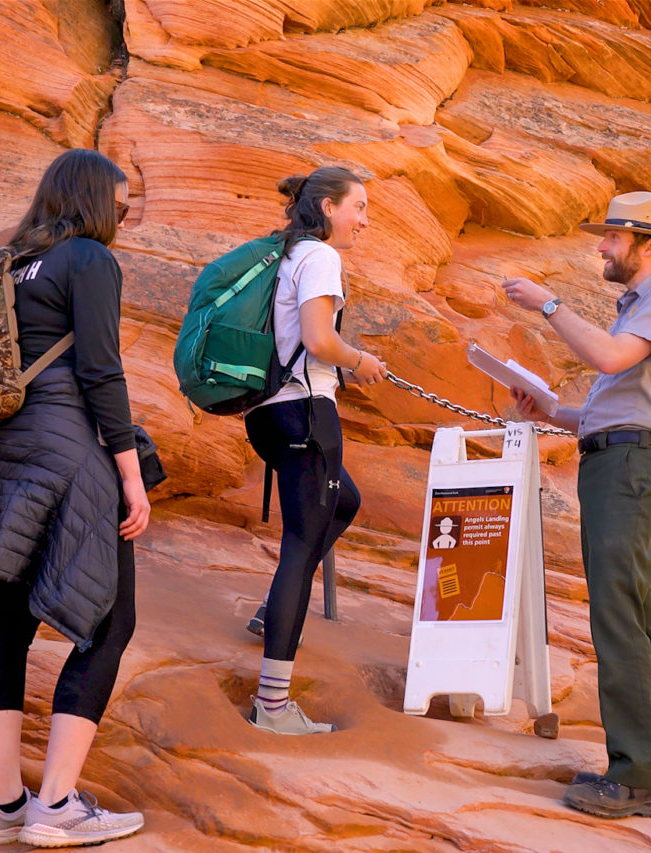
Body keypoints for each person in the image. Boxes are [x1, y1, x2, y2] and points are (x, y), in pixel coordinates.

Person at [0, 148, 151, 847]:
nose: (126, 213)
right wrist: (131, 477)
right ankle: (57, 804)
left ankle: (4, 805)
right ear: (94, 199)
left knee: (8, 622)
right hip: (71, 449)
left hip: (6, 448)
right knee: (109, 619)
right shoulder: (90, 261)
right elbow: (102, 372)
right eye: (122, 200)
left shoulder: (11, 262)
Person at [501, 191, 651, 818]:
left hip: (632, 471)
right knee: (635, 622)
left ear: (648, 244)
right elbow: (617, 403)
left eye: (612, 238)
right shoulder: (637, 306)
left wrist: (548, 305)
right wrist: (551, 411)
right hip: (620, 464)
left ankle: (634, 777)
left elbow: (612, 359)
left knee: (619, 619)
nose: (601, 246)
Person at [243, 166, 387, 735]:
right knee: (300, 551)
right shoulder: (322, 256)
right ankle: (272, 708)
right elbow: (319, 338)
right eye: (359, 207)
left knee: (342, 502)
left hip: (268, 412)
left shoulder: (285, 251)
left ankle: (270, 609)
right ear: (328, 207)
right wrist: (360, 362)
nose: (365, 220)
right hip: (305, 409)